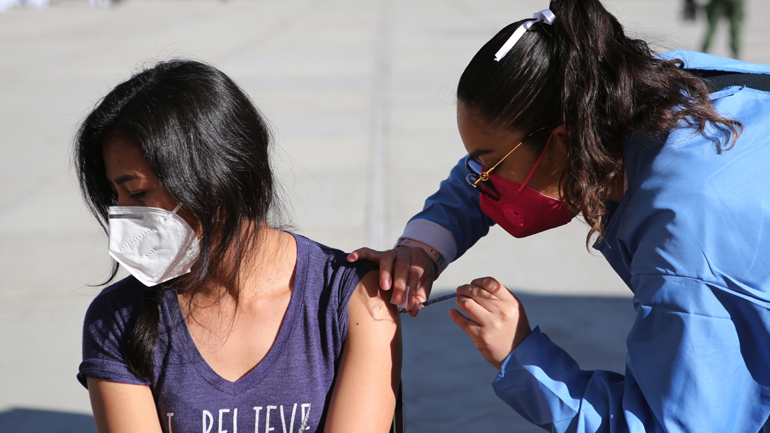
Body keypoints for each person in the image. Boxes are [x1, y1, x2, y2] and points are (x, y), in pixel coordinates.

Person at [348, 0, 770, 431]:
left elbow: (670, 424)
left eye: (490, 166)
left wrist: (521, 356)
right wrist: (424, 246)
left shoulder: (688, 238)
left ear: (564, 141)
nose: (480, 179)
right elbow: (490, 162)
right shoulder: (624, 89)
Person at [75, 59, 401, 433]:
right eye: (115, 196)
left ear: (218, 175)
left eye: (137, 192)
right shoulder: (118, 319)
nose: (122, 215)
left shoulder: (353, 298)